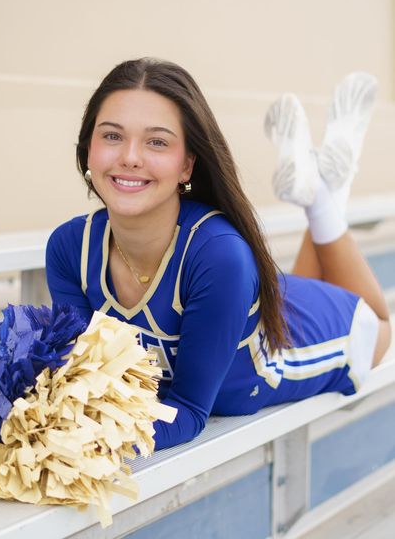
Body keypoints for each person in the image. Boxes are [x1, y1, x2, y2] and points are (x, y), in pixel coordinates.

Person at [46, 58, 391, 451]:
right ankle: (322, 189)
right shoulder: (69, 249)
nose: (130, 157)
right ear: (87, 149)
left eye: (156, 141)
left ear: (187, 165)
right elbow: (85, 378)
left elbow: (189, 410)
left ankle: (325, 202)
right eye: (111, 136)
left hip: (295, 346)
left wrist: (83, 441)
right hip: (251, 301)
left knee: (380, 329)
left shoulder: (220, 256)